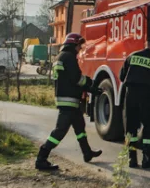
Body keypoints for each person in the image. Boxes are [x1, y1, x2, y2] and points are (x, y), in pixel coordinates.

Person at [35, 33, 102, 171]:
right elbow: (77, 79)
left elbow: (69, 78)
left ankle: (87, 152)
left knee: (80, 127)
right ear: (73, 44)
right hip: (69, 100)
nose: (80, 48)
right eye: (79, 45)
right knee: (59, 131)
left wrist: (89, 86)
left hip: (66, 99)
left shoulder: (60, 57)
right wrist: (91, 86)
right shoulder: (69, 58)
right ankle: (41, 158)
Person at [119, 33, 150, 169]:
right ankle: (147, 159)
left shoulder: (131, 56)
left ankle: (132, 160)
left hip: (130, 96)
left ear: (145, 44)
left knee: (131, 128)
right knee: (149, 126)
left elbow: (122, 76)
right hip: (147, 96)